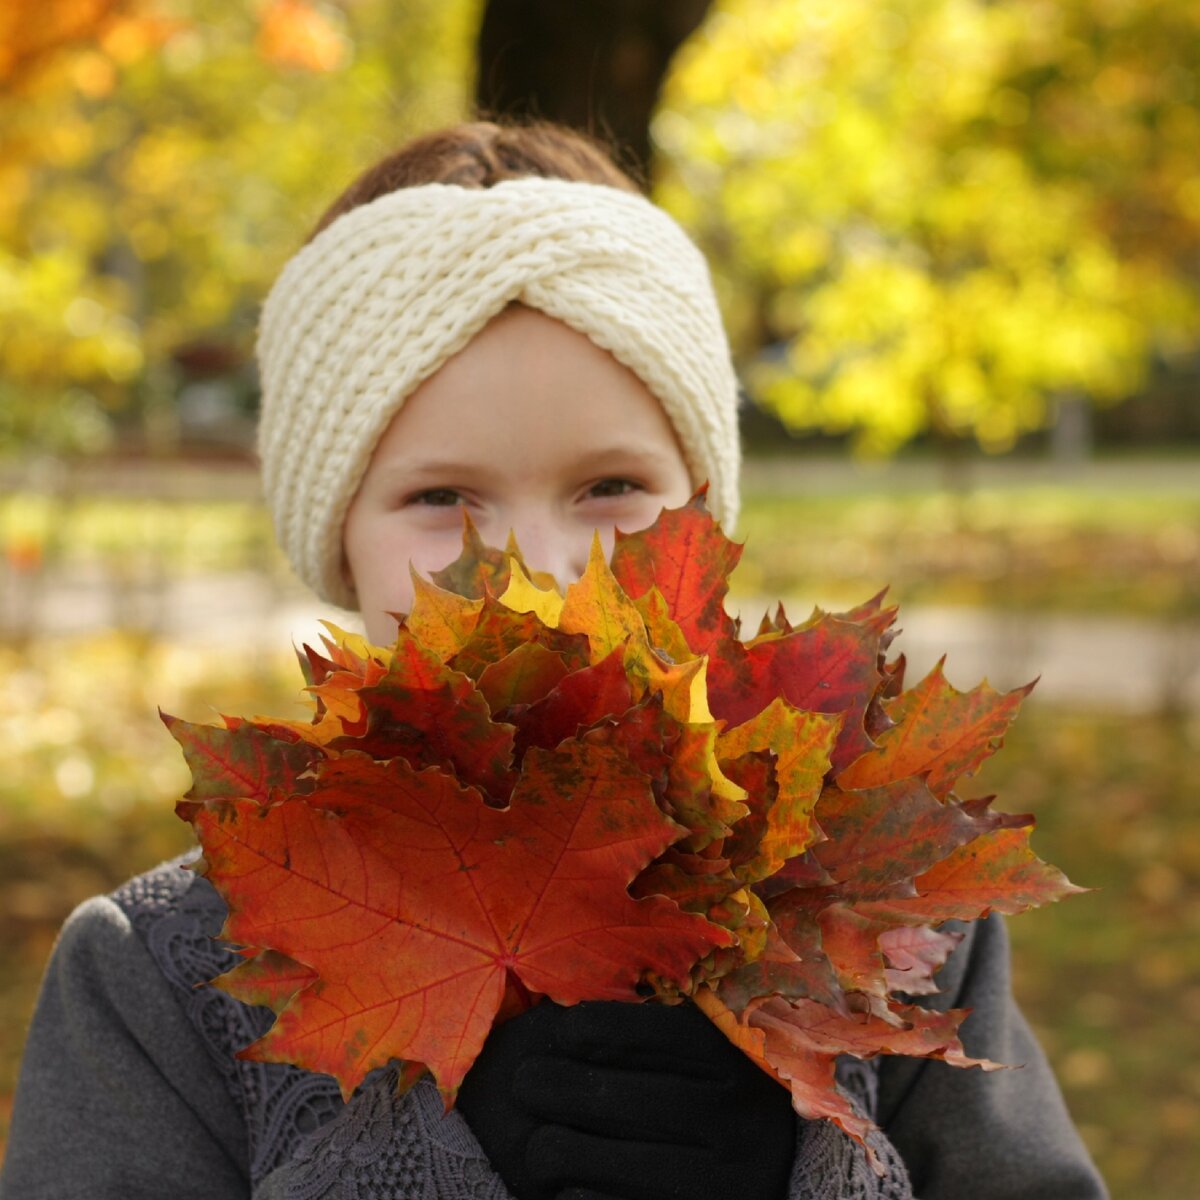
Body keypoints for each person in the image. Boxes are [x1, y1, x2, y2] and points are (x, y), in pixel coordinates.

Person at [0, 121, 1108, 1200]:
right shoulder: (162, 971)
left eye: (610, 488)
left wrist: (797, 1176)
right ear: (336, 541)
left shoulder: (882, 910)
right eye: (442, 498)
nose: (537, 570)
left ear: (702, 525)